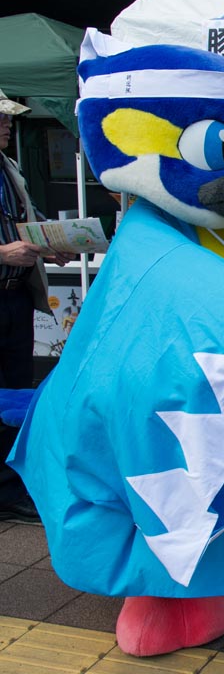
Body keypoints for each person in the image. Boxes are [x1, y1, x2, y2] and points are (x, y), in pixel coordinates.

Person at [0, 89, 70, 522]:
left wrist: (54, 245)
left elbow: (29, 220)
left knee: (16, 391)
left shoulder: (9, 167)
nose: (9, 125)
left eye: (9, 119)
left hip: (16, 297)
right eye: (2, 118)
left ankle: (12, 486)